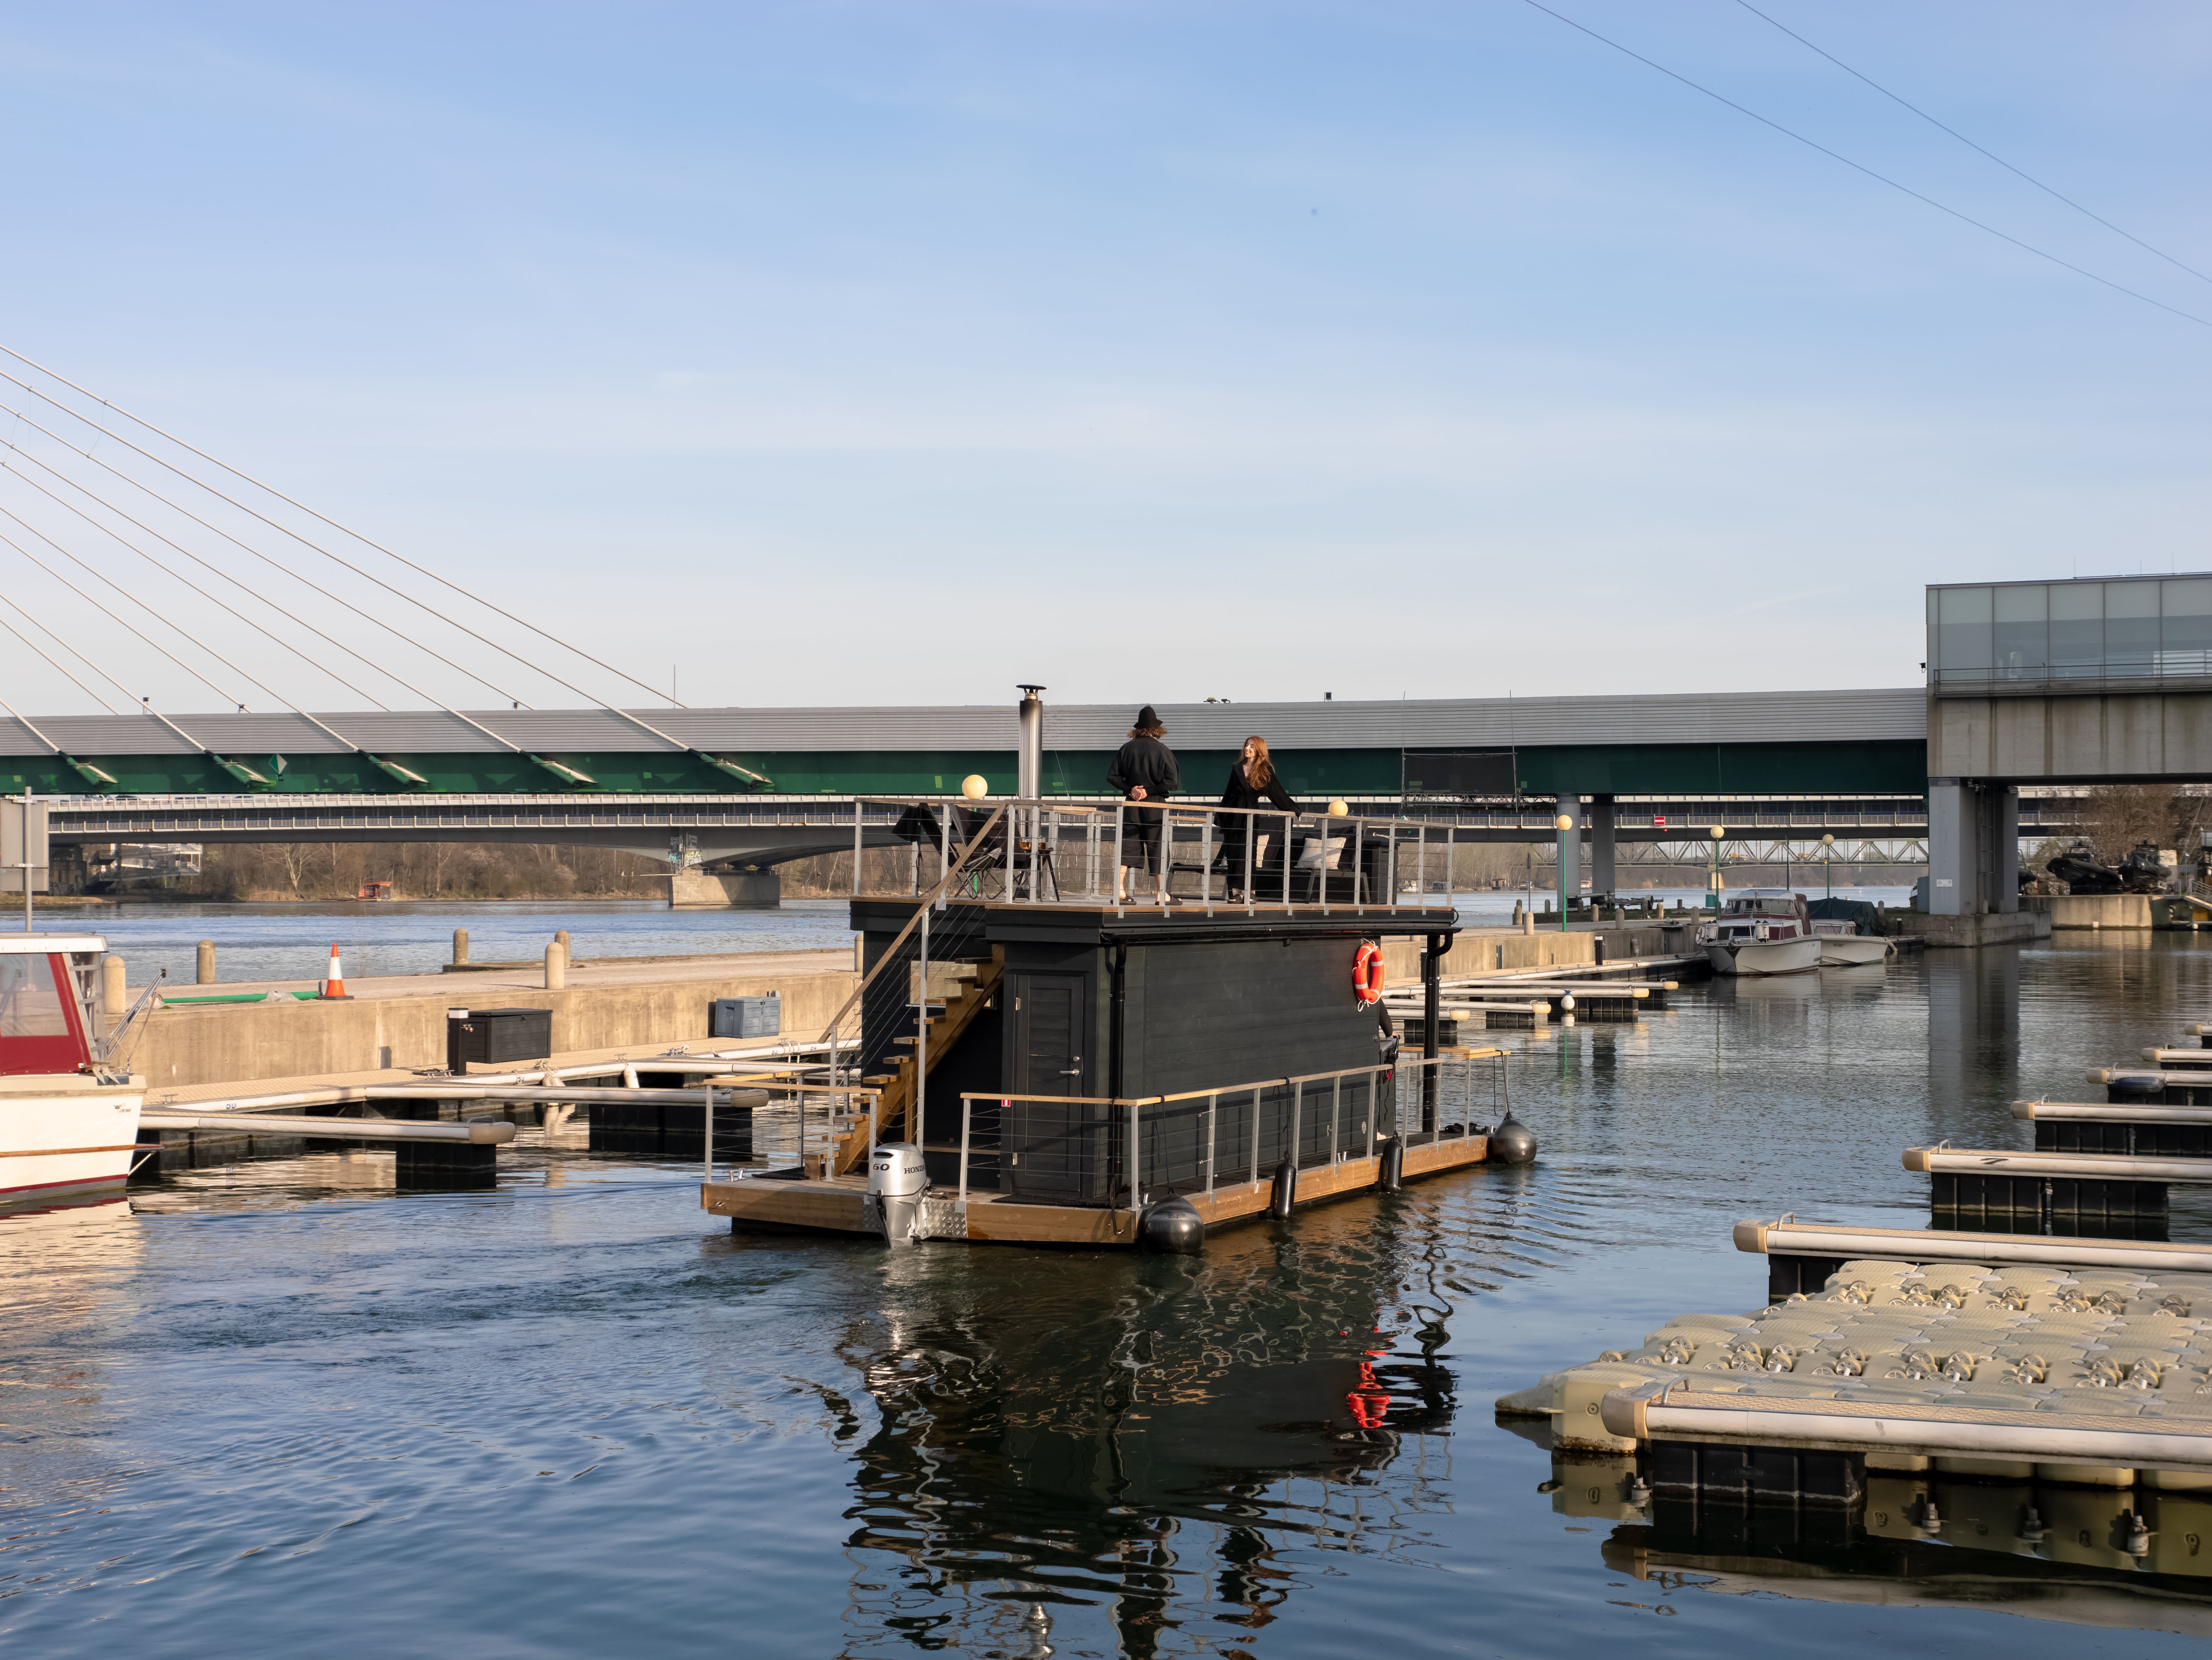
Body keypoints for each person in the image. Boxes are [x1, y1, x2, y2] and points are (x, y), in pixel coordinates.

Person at [1107, 705, 1178, 899]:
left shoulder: (1126, 749)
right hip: (1155, 805)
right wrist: (1149, 791)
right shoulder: (1163, 750)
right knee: (1157, 846)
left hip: (1132, 804)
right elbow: (1172, 782)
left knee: (1128, 844)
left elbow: (1112, 777)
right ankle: (1161, 894)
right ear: (1156, 730)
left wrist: (1131, 789)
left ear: (1138, 729)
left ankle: (1120, 891)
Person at [1216, 736, 1298, 901]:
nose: (1248, 748)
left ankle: (1250, 892)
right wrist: (1220, 815)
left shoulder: (1264, 769)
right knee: (1233, 854)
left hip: (1250, 814)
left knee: (1247, 852)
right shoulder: (1237, 768)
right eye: (1247, 745)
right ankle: (1236, 893)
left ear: (1259, 750)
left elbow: (1276, 791)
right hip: (1233, 815)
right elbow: (1229, 792)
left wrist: (1292, 808)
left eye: (1252, 746)